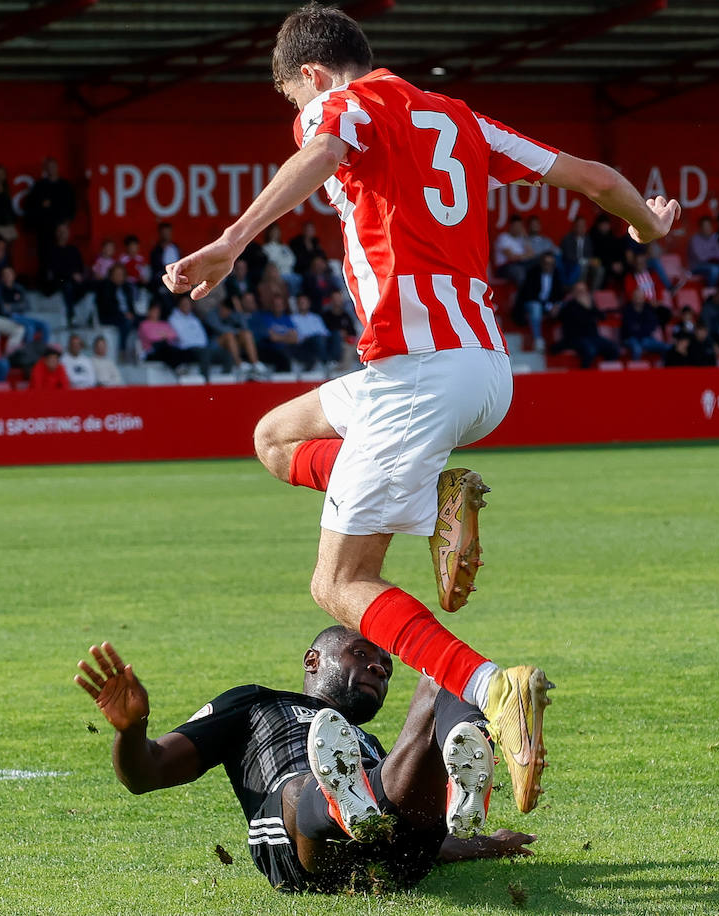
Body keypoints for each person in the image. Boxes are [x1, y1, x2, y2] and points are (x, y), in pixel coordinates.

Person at [162, 5, 677, 815]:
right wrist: (648, 225)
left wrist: (231, 241)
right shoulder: (460, 119)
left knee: (340, 582)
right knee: (272, 438)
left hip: (418, 374)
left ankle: (492, 687)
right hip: (484, 371)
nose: (300, 117)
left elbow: (322, 150)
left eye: (296, 101)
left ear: (312, 75)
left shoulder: (341, 105)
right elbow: (595, 179)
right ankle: (438, 500)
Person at [73, 631, 533, 894]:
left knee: (444, 673)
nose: (379, 667)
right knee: (299, 787)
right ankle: (338, 802)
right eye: (361, 653)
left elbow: (423, 836)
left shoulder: (369, 744)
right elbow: (147, 772)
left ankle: (466, 770)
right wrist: (131, 729)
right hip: (306, 850)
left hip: (394, 854)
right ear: (313, 660)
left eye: (386, 667)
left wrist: (484, 844)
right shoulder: (256, 703)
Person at [554, 281, 619, 368]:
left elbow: (602, 317)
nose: (582, 293)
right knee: (590, 350)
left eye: (584, 291)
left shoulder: (590, 304)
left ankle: (604, 372)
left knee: (613, 349)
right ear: (573, 293)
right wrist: (585, 307)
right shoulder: (569, 306)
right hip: (575, 338)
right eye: (579, 291)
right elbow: (576, 320)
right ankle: (584, 373)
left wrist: (590, 307)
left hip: (593, 337)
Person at [23, 157, 75, 258]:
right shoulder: (39, 186)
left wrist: (66, 223)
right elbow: (30, 206)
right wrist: (41, 205)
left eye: (53, 166)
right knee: (45, 254)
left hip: (61, 227)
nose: (51, 169)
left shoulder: (65, 186)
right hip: (45, 228)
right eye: (49, 167)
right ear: (45, 169)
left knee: (62, 254)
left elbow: (72, 206)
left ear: (57, 167)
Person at [514, 251, 563, 351]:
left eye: (551, 264)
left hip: (548, 304)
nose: (548, 266)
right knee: (536, 307)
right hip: (531, 303)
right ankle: (538, 340)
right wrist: (549, 306)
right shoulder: (533, 273)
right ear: (541, 263)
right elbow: (529, 294)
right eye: (546, 263)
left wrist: (556, 305)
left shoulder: (556, 273)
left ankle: (562, 342)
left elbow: (559, 294)